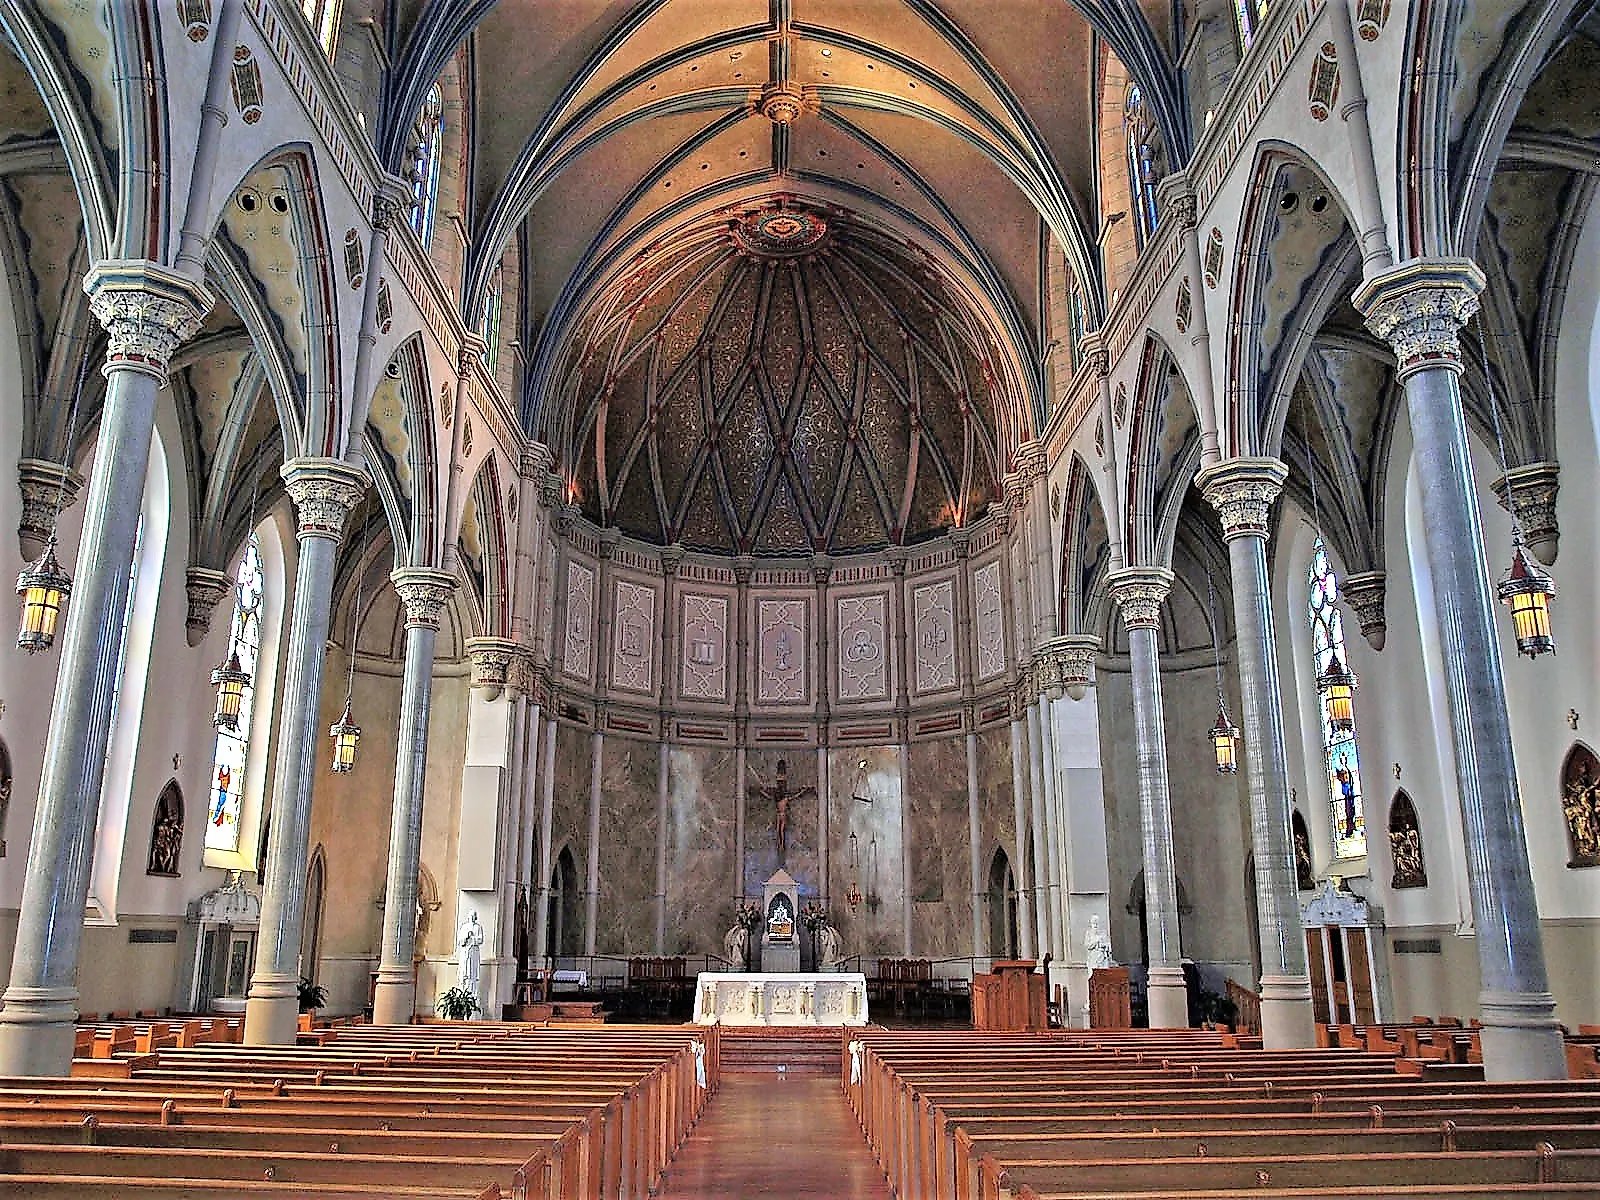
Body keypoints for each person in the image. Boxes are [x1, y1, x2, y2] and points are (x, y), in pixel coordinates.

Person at [456, 911, 484, 995]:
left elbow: (480, 939)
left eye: (474, 916)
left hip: (473, 952)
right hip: (465, 952)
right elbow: (460, 941)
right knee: (464, 972)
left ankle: (472, 994)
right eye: (471, 915)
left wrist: (472, 938)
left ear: (476, 917)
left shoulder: (478, 927)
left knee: (472, 973)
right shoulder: (464, 927)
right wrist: (466, 937)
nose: (472, 917)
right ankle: (462, 992)